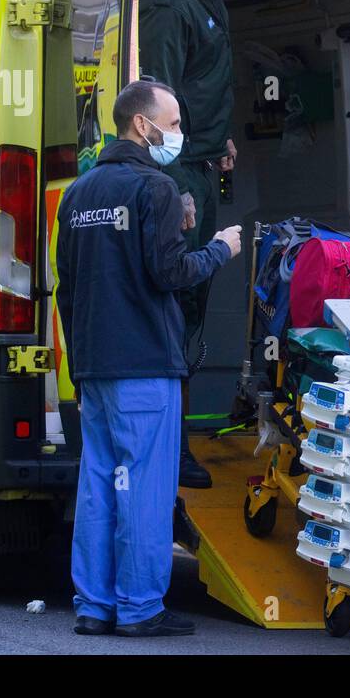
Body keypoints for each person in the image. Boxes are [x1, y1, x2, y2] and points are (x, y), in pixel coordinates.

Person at [56, 79, 242, 638]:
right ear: (144, 125)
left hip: (95, 366)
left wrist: (79, 364)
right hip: (145, 367)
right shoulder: (155, 188)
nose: (179, 134)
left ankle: (93, 605)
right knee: (144, 486)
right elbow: (169, 273)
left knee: (98, 485)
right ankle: (139, 607)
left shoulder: (78, 194)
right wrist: (219, 249)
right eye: (175, 123)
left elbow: (69, 287)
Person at [138, 0, 239, 489]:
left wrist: (218, 140)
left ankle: (172, 443)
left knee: (192, 306)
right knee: (175, 310)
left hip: (202, 164)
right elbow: (155, 108)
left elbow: (199, 91)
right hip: (179, 178)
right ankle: (168, 450)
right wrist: (175, 190)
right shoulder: (168, 6)